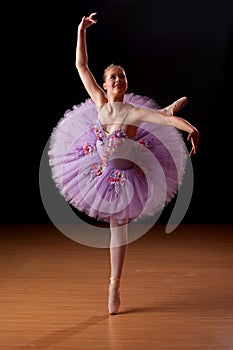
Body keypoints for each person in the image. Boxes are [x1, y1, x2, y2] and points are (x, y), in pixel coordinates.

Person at [48, 12, 199, 315]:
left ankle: (115, 283)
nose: (118, 79)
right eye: (112, 77)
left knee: (162, 120)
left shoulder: (132, 112)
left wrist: (191, 129)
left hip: (133, 167)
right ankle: (114, 285)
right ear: (104, 86)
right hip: (104, 167)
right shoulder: (100, 104)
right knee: (116, 225)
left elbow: (159, 119)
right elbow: (81, 65)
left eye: (122, 76)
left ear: (126, 84)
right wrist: (81, 31)